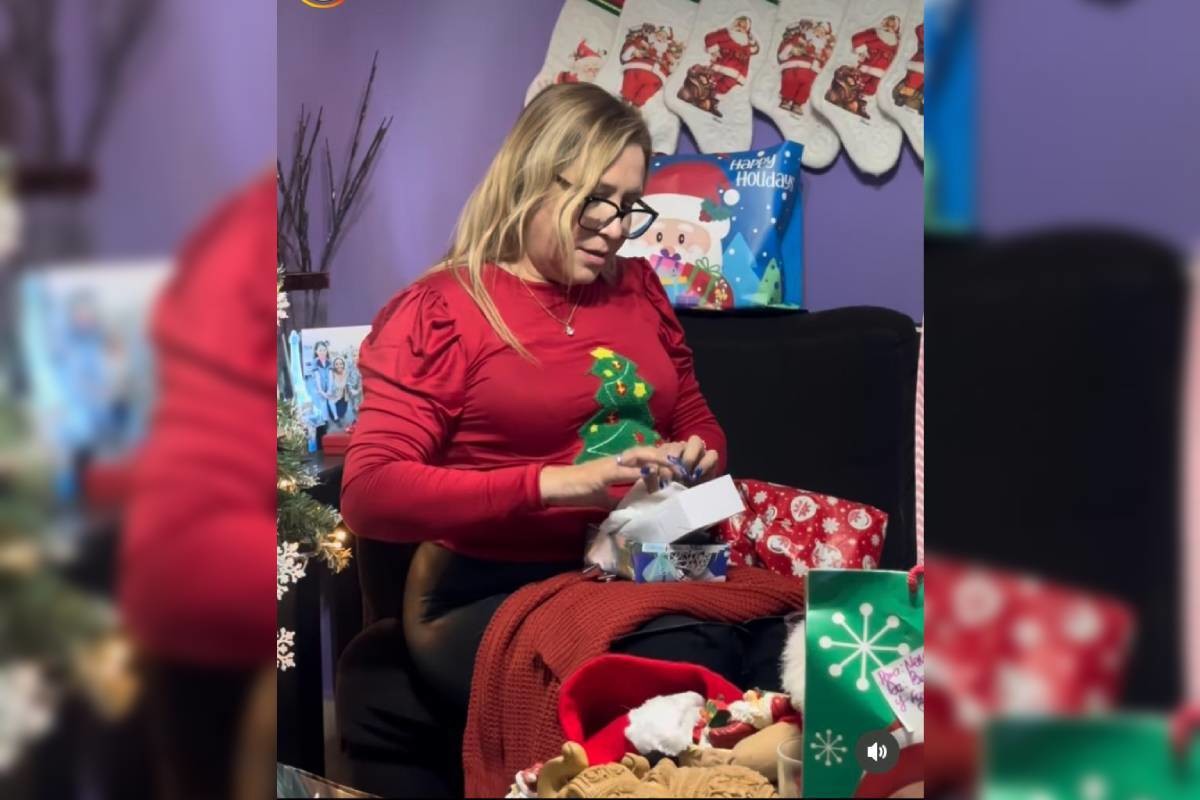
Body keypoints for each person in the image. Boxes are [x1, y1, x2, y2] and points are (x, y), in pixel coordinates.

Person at [340, 83, 796, 796]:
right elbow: (369, 493)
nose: (616, 226)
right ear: (531, 178)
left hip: (633, 566)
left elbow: (695, 414)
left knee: (796, 642)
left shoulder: (636, 289)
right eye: (595, 198)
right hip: (485, 590)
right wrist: (555, 483)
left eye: (630, 203)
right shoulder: (443, 309)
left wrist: (701, 450)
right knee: (680, 651)